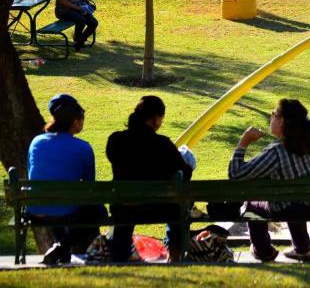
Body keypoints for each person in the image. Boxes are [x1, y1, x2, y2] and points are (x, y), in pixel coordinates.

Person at [228, 99, 310, 263]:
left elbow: (235, 174)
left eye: (273, 114)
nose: (271, 117)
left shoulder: (276, 152)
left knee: (252, 205)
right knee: (295, 199)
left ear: (282, 121)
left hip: (294, 209)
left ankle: (263, 251)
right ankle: (302, 249)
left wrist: (244, 142)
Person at [106, 96, 194, 262]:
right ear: (155, 118)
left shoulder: (116, 140)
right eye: (161, 118)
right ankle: (175, 253)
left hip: (125, 207)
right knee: (180, 205)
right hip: (159, 207)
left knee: (125, 208)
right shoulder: (163, 144)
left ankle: (120, 253)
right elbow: (185, 173)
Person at [27, 94, 107, 265]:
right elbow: (89, 186)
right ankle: (63, 247)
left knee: (56, 202)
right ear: (75, 122)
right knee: (98, 211)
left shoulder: (36, 142)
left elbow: (32, 173)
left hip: (36, 208)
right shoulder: (83, 148)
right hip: (64, 209)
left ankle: (62, 251)